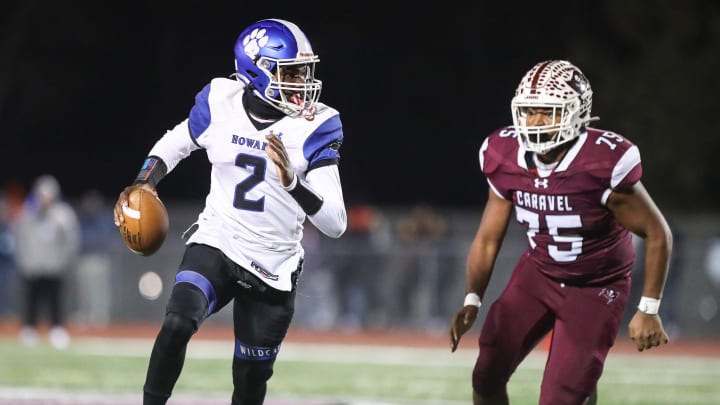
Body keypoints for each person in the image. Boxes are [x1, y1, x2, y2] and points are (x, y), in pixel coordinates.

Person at [113, 19, 347, 405]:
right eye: (289, 72)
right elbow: (177, 142)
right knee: (176, 322)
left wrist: (292, 183)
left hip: (274, 264)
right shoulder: (220, 100)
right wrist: (144, 181)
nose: (301, 83)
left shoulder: (317, 124)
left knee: (249, 381)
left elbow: (336, 223)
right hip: (218, 241)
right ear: (257, 70)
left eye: (304, 72)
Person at [449, 60, 672, 405]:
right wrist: (472, 298)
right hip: (539, 274)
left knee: (563, 396)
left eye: (548, 113)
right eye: (529, 112)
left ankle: (579, 385)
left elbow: (658, 233)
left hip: (596, 285)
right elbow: (488, 237)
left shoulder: (601, 163)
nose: (535, 122)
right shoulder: (504, 155)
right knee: (487, 369)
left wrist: (649, 307)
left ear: (576, 113)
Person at [14, 174, 81, 349]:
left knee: (55, 299)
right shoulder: (27, 214)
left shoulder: (63, 215)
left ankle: (57, 329)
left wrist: (65, 261)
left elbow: (71, 240)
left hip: (55, 266)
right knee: (31, 298)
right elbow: (20, 239)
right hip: (33, 265)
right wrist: (24, 260)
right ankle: (29, 328)